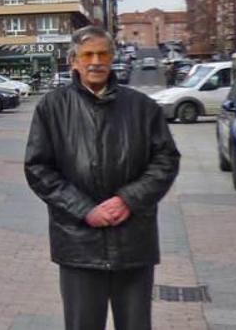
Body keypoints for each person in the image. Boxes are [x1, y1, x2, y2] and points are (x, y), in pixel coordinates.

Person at [25, 26, 180, 330]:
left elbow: (166, 160)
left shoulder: (142, 107)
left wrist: (129, 199)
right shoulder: (52, 108)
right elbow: (38, 168)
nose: (95, 61)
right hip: (78, 244)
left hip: (133, 240)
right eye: (87, 54)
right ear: (74, 61)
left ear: (112, 58)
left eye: (102, 53)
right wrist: (86, 210)